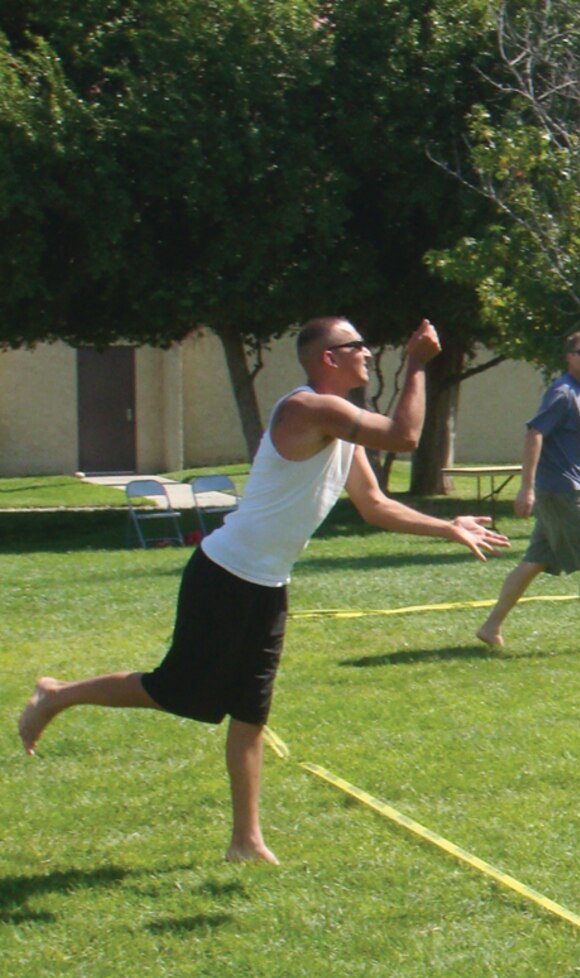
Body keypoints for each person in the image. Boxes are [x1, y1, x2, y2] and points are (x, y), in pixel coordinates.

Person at [17, 318, 509, 862]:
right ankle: (56, 695)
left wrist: (448, 527)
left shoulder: (342, 428)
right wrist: (416, 362)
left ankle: (246, 842)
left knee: (251, 713)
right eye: (357, 347)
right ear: (328, 358)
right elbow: (406, 437)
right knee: (177, 691)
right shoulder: (308, 409)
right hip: (225, 576)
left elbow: (374, 506)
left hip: (269, 584)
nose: (368, 354)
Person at [477, 329, 580, 653]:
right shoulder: (563, 393)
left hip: (567, 490)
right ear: (569, 357)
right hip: (562, 491)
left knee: (536, 560)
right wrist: (526, 488)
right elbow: (534, 433)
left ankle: (491, 626)